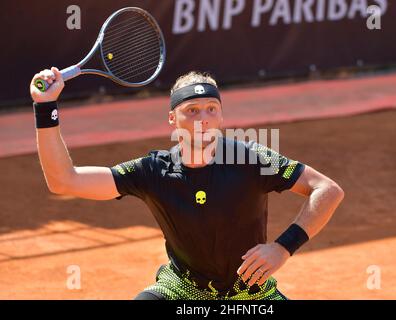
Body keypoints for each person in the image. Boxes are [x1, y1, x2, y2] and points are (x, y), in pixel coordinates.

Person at [30, 68, 344, 300]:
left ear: (221, 116)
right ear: (173, 119)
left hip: (251, 296)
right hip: (181, 291)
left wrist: (282, 248)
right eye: (191, 111)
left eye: (211, 109)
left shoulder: (252, 157)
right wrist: (45, 107)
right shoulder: (152, 170)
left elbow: (327, 190)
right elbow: (64, 180)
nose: (203, 119)